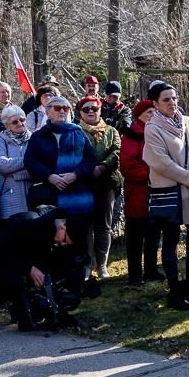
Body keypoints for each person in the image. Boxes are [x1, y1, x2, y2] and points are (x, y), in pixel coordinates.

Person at [142, 81, 189, 310]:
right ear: (155, 104)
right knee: (170, 243)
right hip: (169, 193)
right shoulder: (152, 128)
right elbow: (161, 163)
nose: (172, 103)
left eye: (174, 98)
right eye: (166, 100)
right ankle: (174, 292)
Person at [24, 96, 96, 296]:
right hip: (52, 197)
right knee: (55, 242)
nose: (62, 111)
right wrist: (50, 176)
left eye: (66, 107)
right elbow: (30, 161)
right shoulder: (39, 136)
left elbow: (91, 161)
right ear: (47, 112)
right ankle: (57, 284)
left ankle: (77, 284)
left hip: (78, 196)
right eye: (57, 107)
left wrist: (75, 174)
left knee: (78, 241)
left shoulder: (79, 133)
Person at [0, 206, 71, 333]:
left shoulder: (53, 228)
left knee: (47, 278)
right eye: (63, 239)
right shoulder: (30, 224)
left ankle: (27, 314)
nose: (63, 243)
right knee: (11, 281)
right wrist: (29, 267)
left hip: (18, 259)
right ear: (60, 226)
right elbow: (5, 252)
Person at [77, 94, 122, 280]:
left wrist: (102, 166)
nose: (90, 112)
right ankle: (88, 265)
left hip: (107, 182)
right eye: (86, 109)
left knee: (104, 226)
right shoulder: (75, 131)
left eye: (94, 108)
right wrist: (89, 168)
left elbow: (117, 151)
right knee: (87, 226)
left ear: (100, 110)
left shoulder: (112, 130)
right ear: (80, 112)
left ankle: (102, 265)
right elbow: (75, 152)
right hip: (84, 183)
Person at [119, 99, 163, 286]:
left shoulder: (158, 132)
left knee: (154, 233)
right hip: (138, 192)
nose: (152, 116)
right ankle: (135, 273)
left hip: (156, 191)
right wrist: (152, 174)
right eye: (149, 113)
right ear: (139, 116)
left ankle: (152, 269)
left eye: (154, 112)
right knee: (136, 236)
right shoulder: (130, 136)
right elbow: (128, 165)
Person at [0, 106, 34, 219]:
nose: (20, 123)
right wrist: (29, 161)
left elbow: (40, 164)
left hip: (33, 193)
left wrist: (15, 174)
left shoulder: (35, 139)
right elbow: (2, 165)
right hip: (10, 196)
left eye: (22, 120)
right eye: (15, 122)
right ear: (7, 126)